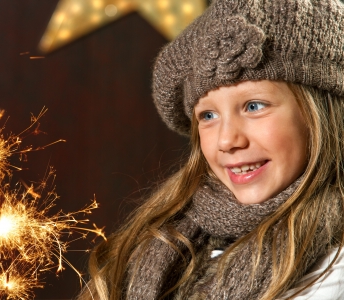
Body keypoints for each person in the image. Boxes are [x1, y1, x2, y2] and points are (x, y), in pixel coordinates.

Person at [78, 0, 344, 299]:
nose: (227, 141)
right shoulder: (162, 245)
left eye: (254, 106)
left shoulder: (334, 270)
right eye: (208, 116)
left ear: (322, 113)